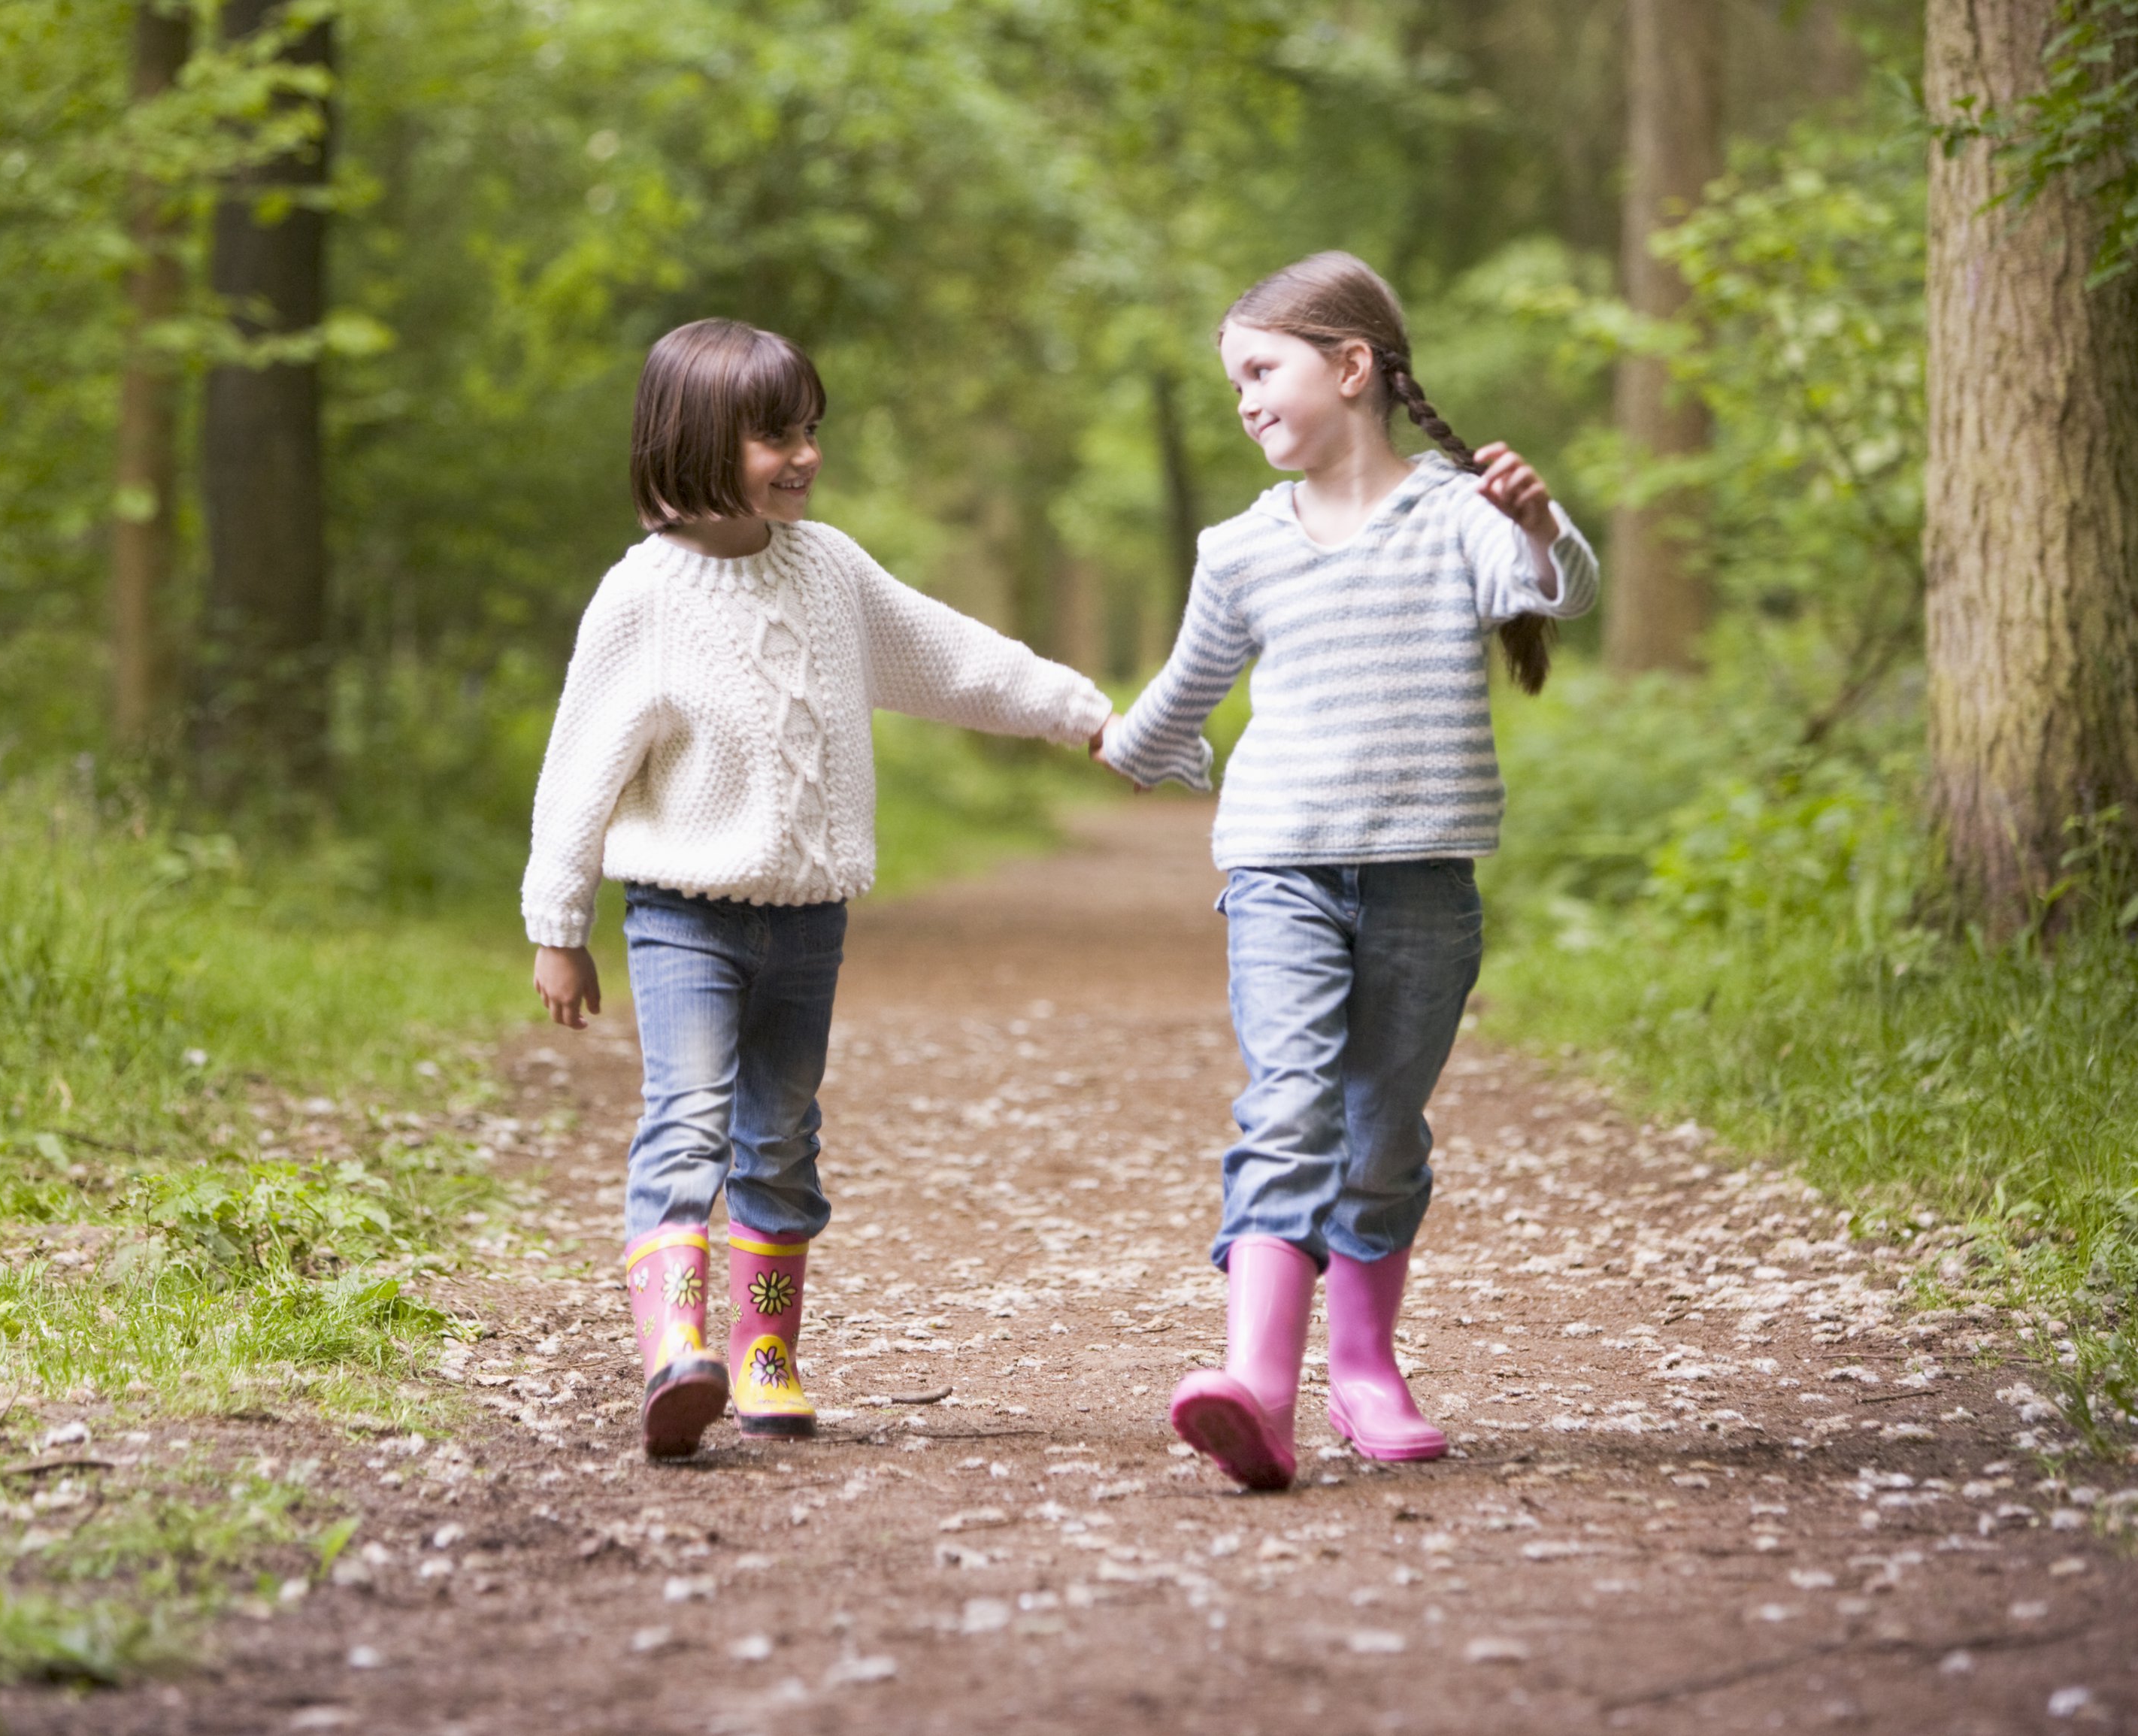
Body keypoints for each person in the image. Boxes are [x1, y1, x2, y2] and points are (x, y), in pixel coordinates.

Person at [524, 318, 1113, 1460]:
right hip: (683, 918)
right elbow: (577, 767)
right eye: (772, 436)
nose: (803, 455)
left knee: (782, 1137)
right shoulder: (642, 597)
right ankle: (675, 1352)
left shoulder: (831, 570)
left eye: (808, 431)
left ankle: (764, 1351)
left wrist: (1079, 709)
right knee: (689, 1120)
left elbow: (949, 656)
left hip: (808, 921)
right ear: (691, 441)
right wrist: (560, 924)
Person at [1096, 252, 1597, 1490]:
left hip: (1426, 880)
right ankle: (1258, 1385)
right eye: (1234, 385)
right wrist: (1111, 738)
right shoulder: (1240, 548)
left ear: (1354, 366)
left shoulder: (1458, 517)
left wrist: (1542, 521)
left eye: (1262, 370)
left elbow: (1559, 592)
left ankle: (1364, 1367)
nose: (1247, 400)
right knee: (1291, 1101)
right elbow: (1186, 694)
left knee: (1381, 1132)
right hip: (1280, 871)